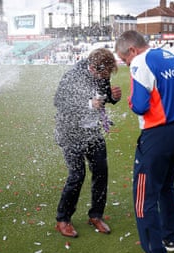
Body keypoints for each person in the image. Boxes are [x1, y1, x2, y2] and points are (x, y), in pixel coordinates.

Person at [115, 30, 174, 253]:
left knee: (143, 201)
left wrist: (129, 100)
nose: (127, 65)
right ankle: (169, 238)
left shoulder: (140, 61)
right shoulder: (168, 54)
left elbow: (139, 105)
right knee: (166, 187)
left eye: (124, 60)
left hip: (158, 136)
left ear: (132, 51)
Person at [54, 48, 122, 238]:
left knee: (101, 172)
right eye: (103, 74)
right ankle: (63, 218)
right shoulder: (72, 76)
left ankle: (96, 215)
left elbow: (103, 97)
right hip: (70, 131)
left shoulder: (102, 72)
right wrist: (88, 104)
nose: (105, 78)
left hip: (92, 130)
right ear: (93, 67)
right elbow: (59, 101)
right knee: (77, 175)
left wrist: (113, 97)